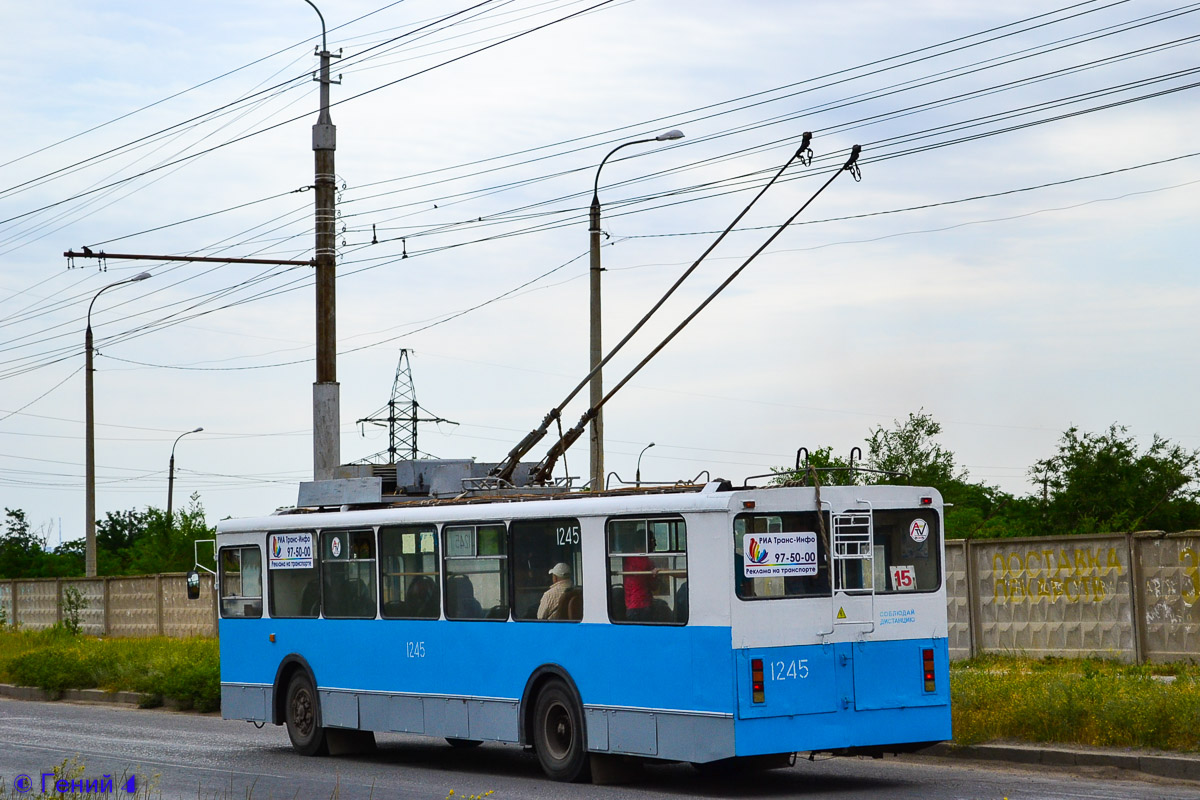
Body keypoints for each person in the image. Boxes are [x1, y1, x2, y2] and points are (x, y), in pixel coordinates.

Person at [623, 534, 658, 622]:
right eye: (653, 542)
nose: (655, 545)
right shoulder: (647, 562)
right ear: (646, 544)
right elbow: (654, 586)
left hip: (630, 604)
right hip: (643, 606)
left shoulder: (628, 559)